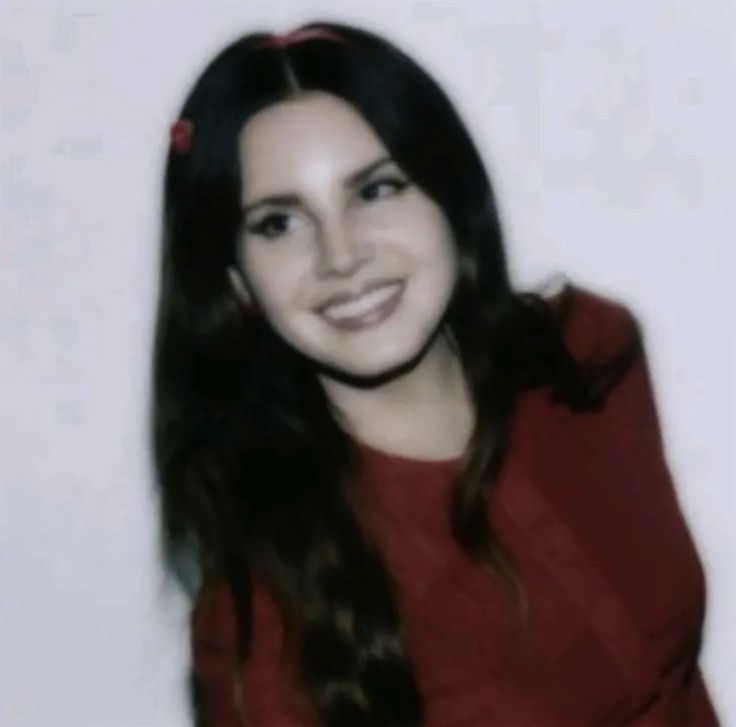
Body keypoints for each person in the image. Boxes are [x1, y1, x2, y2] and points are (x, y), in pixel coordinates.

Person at [150, 20, 719, 726]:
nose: (342, 255)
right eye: (279, 223)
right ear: (236, 280)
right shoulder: (261, 618)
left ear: (449, 194)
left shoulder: (590, 358)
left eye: (376, 189)